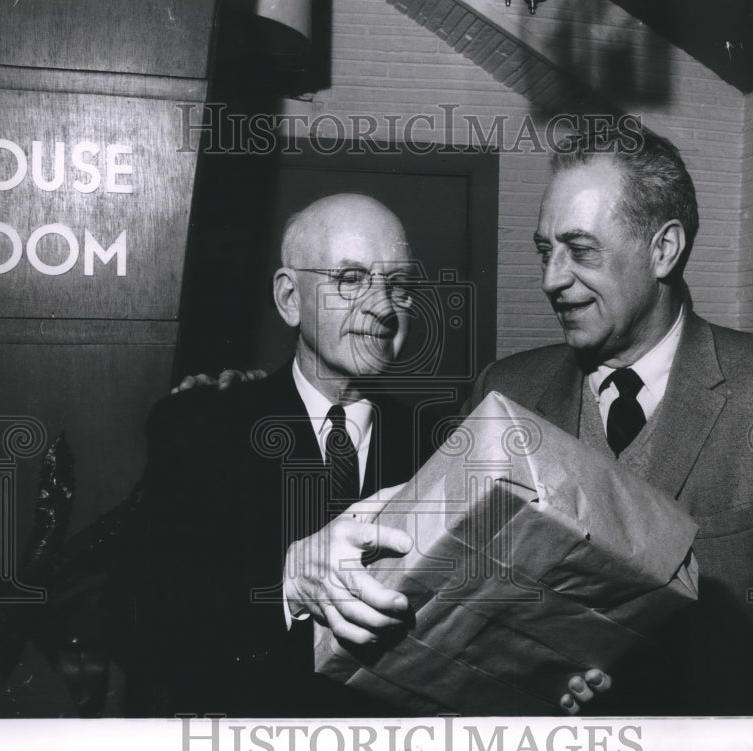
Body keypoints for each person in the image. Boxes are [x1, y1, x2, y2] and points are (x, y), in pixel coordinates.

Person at [108, 193, 608, 716]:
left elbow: (477, 626)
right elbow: (133, 621)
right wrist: (287, 587)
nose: (382, 307)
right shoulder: (199, 428)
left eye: (398, 286)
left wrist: (546, 673)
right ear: (289, 298)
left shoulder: (445, 444)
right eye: (350, 280)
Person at [465, 127, 753, 715]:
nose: (551, 278)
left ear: (664, 249)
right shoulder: (504, 392)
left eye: (580, 250)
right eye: (543, 250)